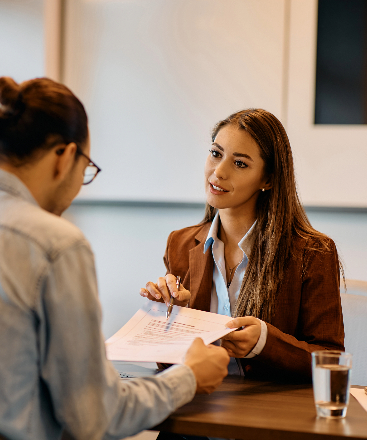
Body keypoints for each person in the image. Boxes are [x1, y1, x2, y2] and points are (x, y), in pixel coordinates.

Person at [0, 76, 229, 440]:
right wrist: (189, 376)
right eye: (85, 169)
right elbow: (95, 417)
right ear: (65, 156)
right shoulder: (54, 244)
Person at [140, 108, 344, 382]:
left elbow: (331, 361)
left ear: (268, 179)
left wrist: (265, 344)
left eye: (240, 164)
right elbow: (168, 366)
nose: (219, 171)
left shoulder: (312, 252)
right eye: (216, 154)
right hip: (196, 406)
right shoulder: (180, 243)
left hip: (267, 415)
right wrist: (171, 317)